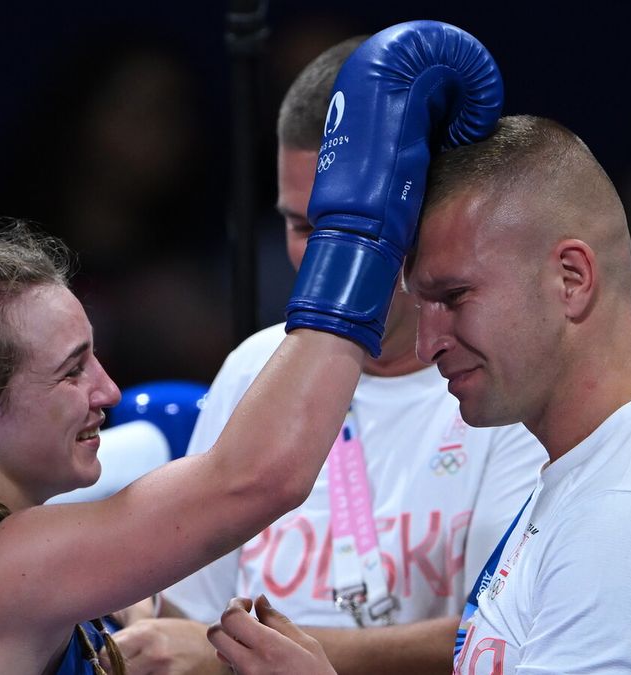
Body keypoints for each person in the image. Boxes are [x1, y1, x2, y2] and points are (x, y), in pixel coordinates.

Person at [0, 21, 503, 674]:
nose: (109, 393)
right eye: (71, 370)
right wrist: (362, 235)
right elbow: (259, 476)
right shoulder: (7, 574)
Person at [208, 115, 631, 674]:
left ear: (571, 278)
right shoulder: (587, 481)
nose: (427, 345)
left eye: (453, 296)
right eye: (420, 304)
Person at [108, 36, 544, 675]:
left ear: (415, 208)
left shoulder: (510, 388)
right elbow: (184, 622)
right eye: (301, 226)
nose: (321, 259)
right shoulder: (254, 370)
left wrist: (234, 654)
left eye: (344, 227)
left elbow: (513, 635)